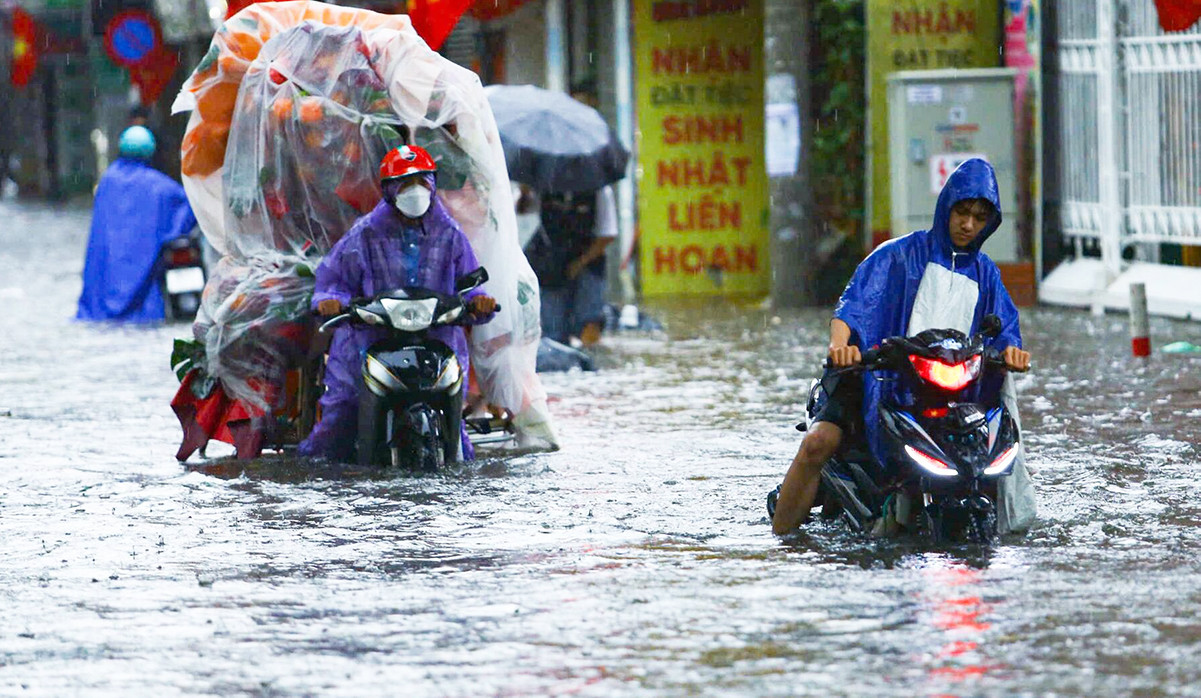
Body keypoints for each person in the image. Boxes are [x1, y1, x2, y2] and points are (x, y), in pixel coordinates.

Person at [770, 158, 1032, 535]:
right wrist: (841, 345)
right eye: (962, 211)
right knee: (818, 442)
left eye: (979, 216)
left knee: (994, 453)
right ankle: (782, 541)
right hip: (875, 374)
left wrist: (1012, 352)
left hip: (948, 392)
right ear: (947, 206)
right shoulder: (898, 255)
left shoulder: (986, 272)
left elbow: (1006, 327)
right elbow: (854, 305)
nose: (968, 224)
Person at [299, 145, 497, 462]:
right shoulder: (363, 235)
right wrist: (331, 302)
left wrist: (479, 302)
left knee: (457, 436)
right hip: (370, 340)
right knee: (340, 415)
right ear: (389, 189)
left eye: (422, 181)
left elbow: (470, 283)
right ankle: (320, 472)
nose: (415, 191)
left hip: (435, 339)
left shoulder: (450, 234)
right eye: (405, 184)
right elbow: (333, 280)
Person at [76, 126, 197, 323]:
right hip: (144, 279)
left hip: (105, 285)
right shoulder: (160, 185)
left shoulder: (108, 180)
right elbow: (190, 206)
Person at [526, 185, 617, 346]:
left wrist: (580, 263)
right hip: (551, 265)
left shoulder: (600, 189)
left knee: (589, 321)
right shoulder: (544, 185)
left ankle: (590, 361)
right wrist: (526, 191)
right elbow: (523, 210)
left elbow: (607, 234)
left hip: (589, 262)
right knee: (553, 331)